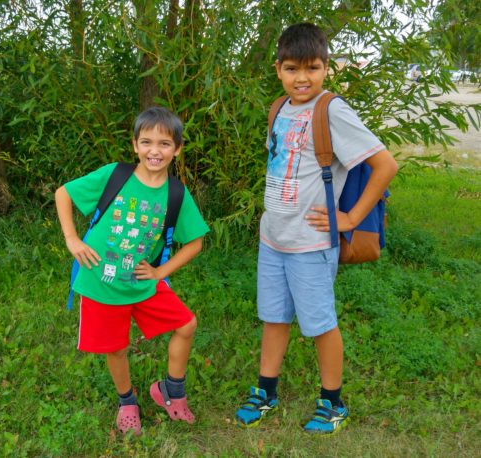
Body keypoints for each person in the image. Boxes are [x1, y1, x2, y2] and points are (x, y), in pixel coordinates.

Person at [234, 23, 398, 434]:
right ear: (278, 70)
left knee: (320, 323)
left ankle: (332, 402)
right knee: (274, 317)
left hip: (311, 243)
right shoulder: (278, 108)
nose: (302, 78)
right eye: (292, 69)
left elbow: (385, 165)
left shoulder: (332, 110)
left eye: (312, 68)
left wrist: (350, 218)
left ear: (326, 68)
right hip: (273, 238)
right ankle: (265, 390)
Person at [55, 106, 209, 435]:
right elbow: (63, 193)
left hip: (141, 281)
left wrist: (160, 271)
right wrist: (72, 239)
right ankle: (127, 401)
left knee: (186, 324)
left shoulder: (176, 194)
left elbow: (195, 242)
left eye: (165, 144)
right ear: (135, 145)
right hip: (101, 280)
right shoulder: (116, 175)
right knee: (116, 347)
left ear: (178, 149)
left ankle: (171, 391)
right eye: (147, 142)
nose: (155, 150)